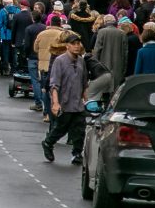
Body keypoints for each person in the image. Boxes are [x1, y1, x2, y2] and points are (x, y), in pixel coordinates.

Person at [42, 34, 89, 165]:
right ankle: (48, 143)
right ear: (67, 46)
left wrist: (88, 102)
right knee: (61, 128)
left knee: (80, 130)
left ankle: (77, 153)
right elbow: (54, 85)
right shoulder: (60, 61)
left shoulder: (81, 61)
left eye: (78, 43)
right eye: (73, 44)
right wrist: (55, 103)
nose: (77, 46)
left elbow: (84, 84)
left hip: (78, 104)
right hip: (64, 102)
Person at [92, 14, 127, 96]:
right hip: (118, 66)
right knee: (115, 92)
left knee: (103, 92)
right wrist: (124, 68)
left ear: (105, 22)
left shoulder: (101, 32)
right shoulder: (122, 33)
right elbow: (125, 52)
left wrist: (94, 66)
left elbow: (97, 50)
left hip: (103, 66)